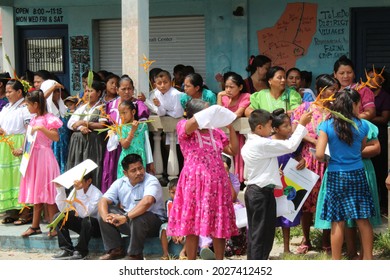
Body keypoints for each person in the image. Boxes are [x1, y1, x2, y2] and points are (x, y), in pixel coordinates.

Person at [167, 99, 239, 260]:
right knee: (192, 225)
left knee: (218, 223)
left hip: (217, 183)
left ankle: (219, 262)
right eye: (206, 113)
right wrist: (211, 110)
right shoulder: (184, 127)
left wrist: (230, 127)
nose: (210, 117)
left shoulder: (216, 132)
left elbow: (232, 150)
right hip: (194, 183)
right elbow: (191, 123)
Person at [241, 108, 311, 260]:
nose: (272, 129)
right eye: (269, 126)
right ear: (259, 127)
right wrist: (302, 125)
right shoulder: (261, 144)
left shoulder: (253, 143)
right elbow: (291, 146)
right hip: (260, 192)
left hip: (261, 191)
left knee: (262, 234)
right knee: (260, 234)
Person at [315, 89, 375, 260]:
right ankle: (369, 259)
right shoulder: (363, 125)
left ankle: (336, 262)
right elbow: (362, 148)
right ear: (354, 105)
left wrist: (330, 157)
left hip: (335, 175)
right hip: (357, 173)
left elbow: (319, 154)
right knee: (363, 219)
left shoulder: (326, 125)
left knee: (337, 220)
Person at [291, 74, 340, 254]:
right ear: (321, 90)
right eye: (331, 89)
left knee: (326, 200)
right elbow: (294, 130)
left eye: (336, 90)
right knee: (306, 201)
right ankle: (306, 239)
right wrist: (314, 140)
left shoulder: (336, 111)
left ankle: (327, 241)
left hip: (328, 161)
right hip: (307, 159)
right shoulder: (304, 108)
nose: (335, 93)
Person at [98, 153, 165, 260]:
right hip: (128, 222)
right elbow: (103, 200)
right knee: (105, 212)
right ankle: (115, 250)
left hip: (152, 224)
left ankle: (135, 254)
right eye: (133, 170)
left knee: (138, 216)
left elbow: (147, 202)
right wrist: (106, 217)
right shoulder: (119, 183)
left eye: (140, 168)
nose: (139, 172)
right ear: (125, 173)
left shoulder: (151, 180)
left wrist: (126, 217)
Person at [16, 89, 62, 237]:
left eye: (28, 105)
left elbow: (55, 137)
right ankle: (35, 226)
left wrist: (42, 128)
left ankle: (54, 226)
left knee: (48, 192)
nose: (27, 108)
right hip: (33, 158)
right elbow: (29, 140)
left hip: (45, 158)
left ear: (36, 104)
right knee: (37, 192)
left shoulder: (49, 118)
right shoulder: (33, 119)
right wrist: (21, 149)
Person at [101, 75, 153, 193]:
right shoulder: (110, 105)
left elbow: (144, 134)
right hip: (116, 147)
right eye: (123, 89)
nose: (126, 92)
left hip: (134, 148)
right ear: (117, 89)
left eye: (129, 89)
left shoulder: (138, 104)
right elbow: (105, 122)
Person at [271, 108, 305, 254]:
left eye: (290, 125)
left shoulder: (293, 143)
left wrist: (302, 161)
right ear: (275, 129)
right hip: (272, 184)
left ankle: (286, 249)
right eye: (285, 126)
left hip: (289, 183)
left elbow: (298, 157)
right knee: (271, 216)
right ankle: (268, 249)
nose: (290, 128)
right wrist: (273, 171)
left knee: (287, 214)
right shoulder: (269, 143)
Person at [0, 80, 33, 225]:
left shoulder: (24, 107)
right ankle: (12, 211)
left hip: (19, 143)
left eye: (10, 91)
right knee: (8, 177)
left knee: (21, 177)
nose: (7, 94)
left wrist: (23, 147)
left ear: (19, 92)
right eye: (6, 92)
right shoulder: (6, 107)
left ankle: (26, 212)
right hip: (6, 145)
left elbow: (29, 129)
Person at [52, 171, 102, 260]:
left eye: (79, 181)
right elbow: (64, 209)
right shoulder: (76, 191)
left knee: (88, 220)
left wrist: (80, 192)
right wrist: (60, 190)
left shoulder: (96, 194)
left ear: (89, 181)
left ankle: (81, 251)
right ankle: (66, 249)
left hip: (96, 228)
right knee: (59, 216)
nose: (76, 183)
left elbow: (85, 213)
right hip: (83, 226)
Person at [67, 80, 107, 189]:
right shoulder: (82, 107)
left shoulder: (102, 108)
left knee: (91, 169)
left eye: (91, 91)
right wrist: (81, 127)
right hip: (78, 145)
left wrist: (85, 123)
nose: (88, 94)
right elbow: (71, 123)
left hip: (93, 144)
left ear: (99, 93)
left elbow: (102, 125)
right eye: (86, 91)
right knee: (77, 167)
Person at [217, 72, 250, 184]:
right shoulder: (224, 98)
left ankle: (238, 182)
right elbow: (218, 113)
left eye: (231, 87)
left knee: (238, 158)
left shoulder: (245, 97)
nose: (228, 90)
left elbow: (236, 115)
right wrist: (219, 96)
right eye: (226, 87)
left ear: (240, 87)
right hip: (225, 135)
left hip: (238, 135)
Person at [367, 67, 390, 213]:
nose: (370, 80)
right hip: (367, 136)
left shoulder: (385, 96)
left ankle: (384, 205)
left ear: (381, 81)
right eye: (368, 77)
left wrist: (368, 117)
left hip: (380, 136)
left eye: (373, 77)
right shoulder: (364, 94)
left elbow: (384, 118)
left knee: (381, 171)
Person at [39, 79, 70, 174]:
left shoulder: (63, 107)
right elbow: (41, 99)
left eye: (58, 91)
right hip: (52, 145)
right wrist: (53, 87)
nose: (57, 93)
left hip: (65, 143)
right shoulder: (44, 109)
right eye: (54, 91)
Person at [333, 55, 376, 120]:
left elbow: (370, 112)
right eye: (341, 73)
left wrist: (350, 120)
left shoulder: (363, 90)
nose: (345, 76)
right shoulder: (331, 91)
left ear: (354, 74)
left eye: (349, 72)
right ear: (335, 74)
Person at [117, 100, 149, 178]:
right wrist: (132, 131)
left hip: (140, 157)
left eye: (124, 113)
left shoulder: (143, 126)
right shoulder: (120, 128)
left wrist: (150, 163)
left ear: (133, 112)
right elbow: (124, 145)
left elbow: (147, 145)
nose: (122, 116)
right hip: (127, 158)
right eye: (120, 114)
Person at [159, 178, 187, 260]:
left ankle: (183, 252)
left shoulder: (187, 203)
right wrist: (174, 232)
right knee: (163, 228)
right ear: (169, 192)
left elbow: (187, 220)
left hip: (184, 227)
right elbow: (170, 219)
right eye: (172, 193)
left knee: (191, 230)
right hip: (173, 226)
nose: (175, 196)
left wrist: (181, 233)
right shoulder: (169, 203)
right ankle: (165, 253)